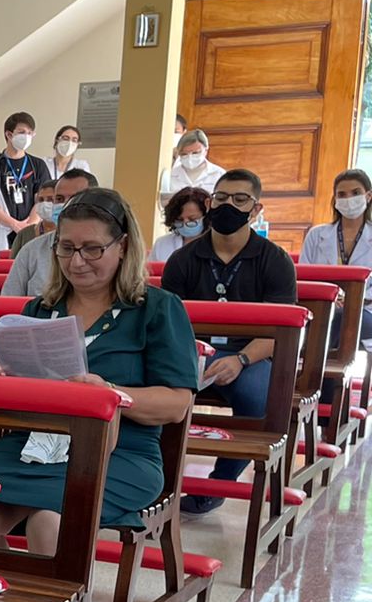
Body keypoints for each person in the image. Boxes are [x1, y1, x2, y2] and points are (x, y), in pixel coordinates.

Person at [0, 189, 198, 602]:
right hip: (35, 444)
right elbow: (24, 395)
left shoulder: (156, 309)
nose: (77, 261)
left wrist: (110, 393)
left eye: (92, 248)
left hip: (123, 453)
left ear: (123, 246)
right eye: (66, 248)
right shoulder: (41, 308)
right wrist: (8, 379)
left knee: (51, 519)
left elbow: (176, 403)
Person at [160, 170, 297, 514]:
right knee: (151, 388)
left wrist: (241, 360)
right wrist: (191, 355)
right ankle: (159, 483)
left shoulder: (274, 260)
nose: (228, 206)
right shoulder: (183, 260)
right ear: (210, 203)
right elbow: (167, 322)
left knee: (259, 396)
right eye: (221, 198)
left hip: (249, 355)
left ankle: (217, 484)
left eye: (240, 200)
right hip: (191, 352)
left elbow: (279, 332)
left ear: (256, 209)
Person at [300, 168, 372, 346]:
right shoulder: (316, 235)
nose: (348, 199)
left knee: (340, 320)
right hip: (320, 306)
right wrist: (329, 296)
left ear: (368, 196)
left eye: (355, 193)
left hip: (366, 308)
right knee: (327, 319)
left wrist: (353, 299)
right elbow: (303, 276)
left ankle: (321, 362)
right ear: (335, 199)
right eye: (342, 194)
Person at [2, 168, 99, 298]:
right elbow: (10, 300)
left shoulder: (108, 251)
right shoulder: (31, 251)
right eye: (59, 199)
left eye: (74, 198)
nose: (65, 205)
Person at [0, 112, 48, 249]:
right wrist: (13, 224)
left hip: (30, 231)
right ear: (9, 134)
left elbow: (42, 200)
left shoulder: (38, 165)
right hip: (0, 231)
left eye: (30, 133)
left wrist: (28, 226)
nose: (26, 137)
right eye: (22, 132)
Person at [159, 129, 225, 207]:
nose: (190, 157)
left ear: (206, 150)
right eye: (184, 154)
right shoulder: (170, 175)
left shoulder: (219, 174)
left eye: (195, 153)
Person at [148, 187, 210, 263]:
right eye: (180, 220)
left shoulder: (216, 245)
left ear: (206, 216)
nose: (185, 223)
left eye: (192, 219)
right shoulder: (161, 244)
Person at [9, 178, 63, 256]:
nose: (44, 203)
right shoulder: (25, 234)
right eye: (41, 200)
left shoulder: (70, 234)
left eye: (50, 199)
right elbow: (14, 262)